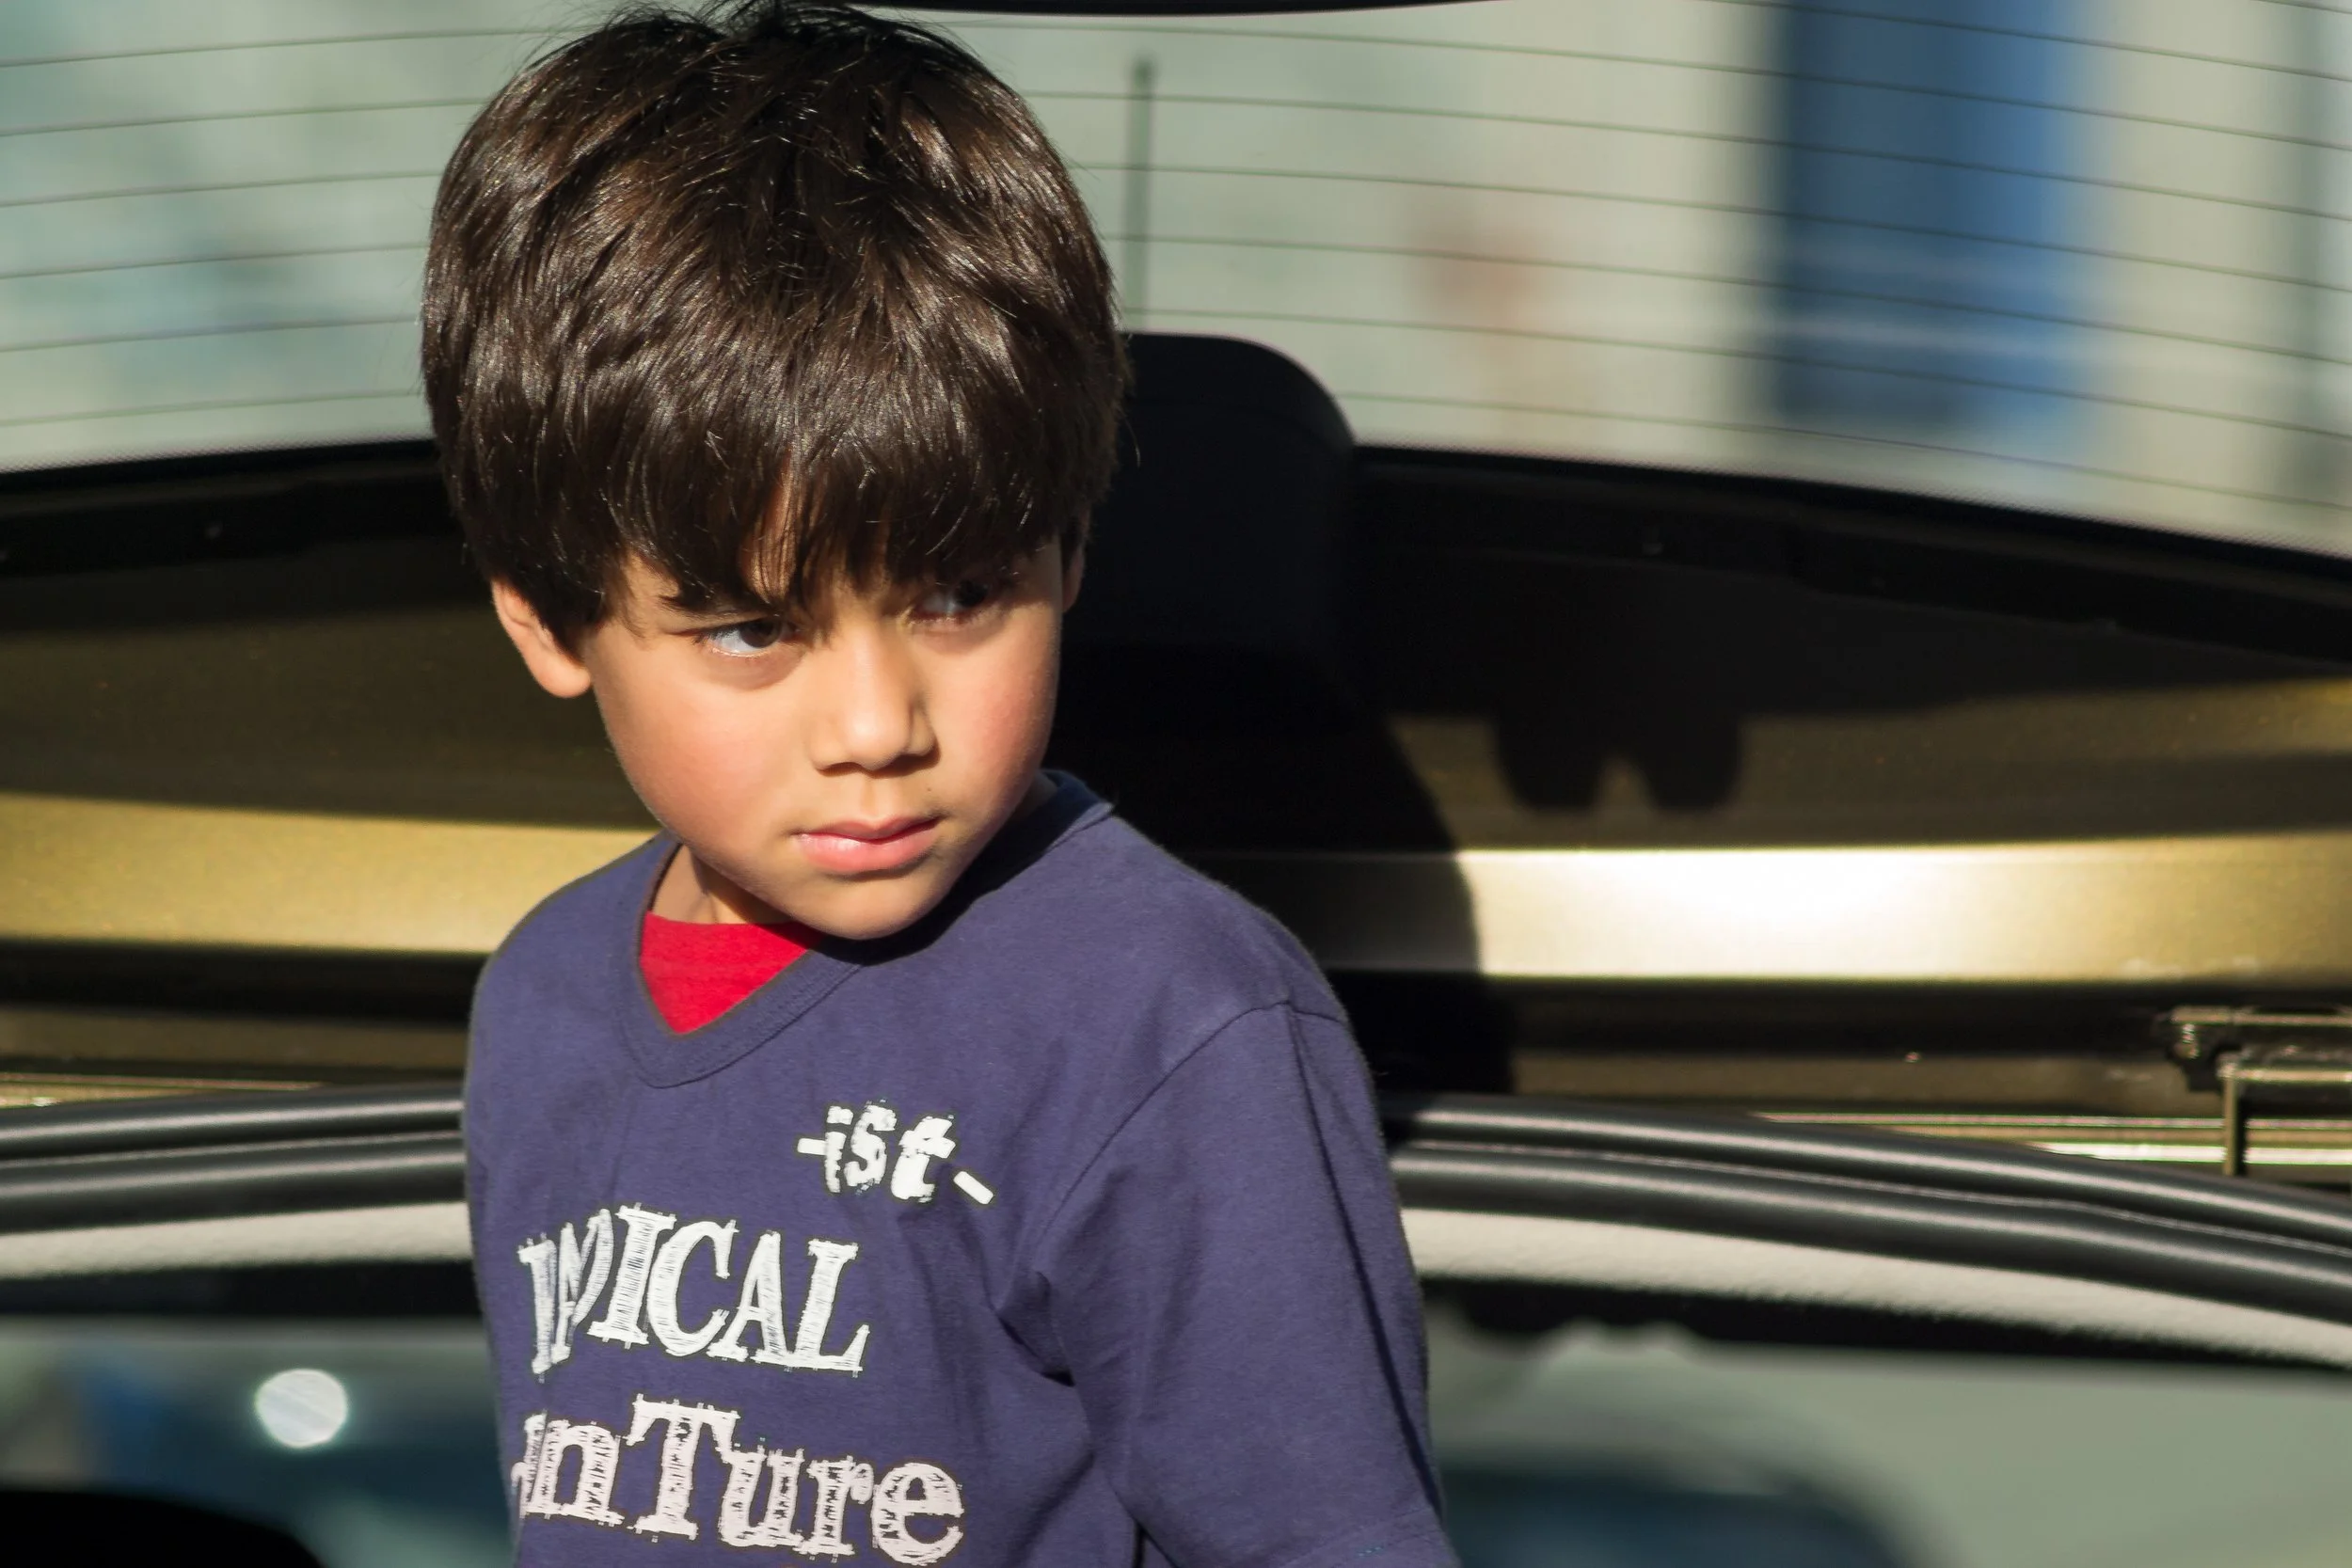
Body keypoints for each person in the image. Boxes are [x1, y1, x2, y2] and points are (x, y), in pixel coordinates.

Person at [424, 6, 1452, 1565]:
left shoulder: (1161, 1018)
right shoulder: (544, 996)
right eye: (754, 627)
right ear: (551, 625)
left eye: (959, 595)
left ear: (1072, 553)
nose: (876, 723)